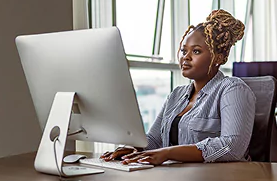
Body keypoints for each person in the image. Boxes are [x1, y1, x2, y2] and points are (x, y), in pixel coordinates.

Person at [101, 9, 256, 165]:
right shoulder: (176, 95)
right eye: (183, 50)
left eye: (196, 51)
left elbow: (232, 146)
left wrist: (169, 153)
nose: (185, 57)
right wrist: (133, 148)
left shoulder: (232, 89)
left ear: (219, 57)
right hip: (178, 178)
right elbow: (154, 139)